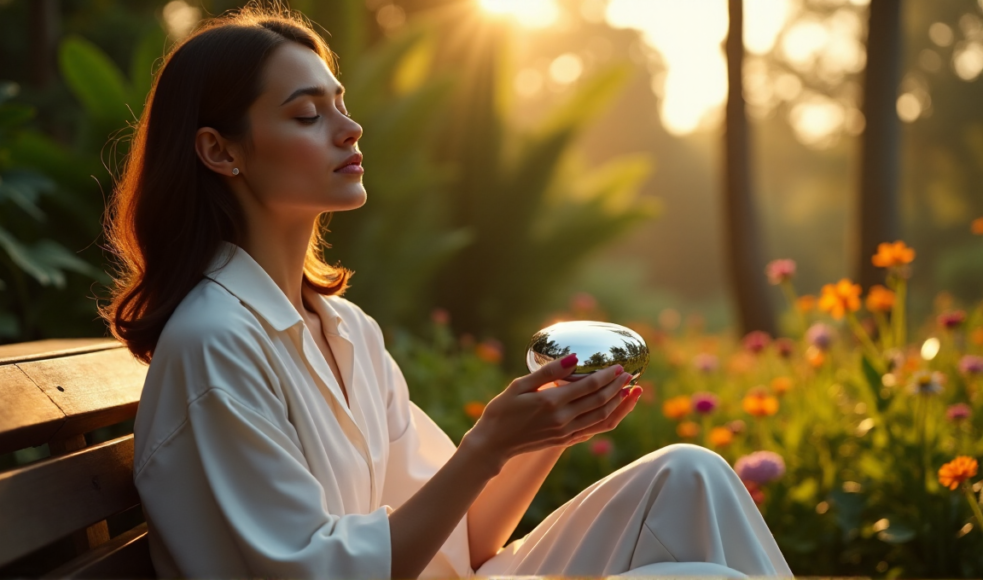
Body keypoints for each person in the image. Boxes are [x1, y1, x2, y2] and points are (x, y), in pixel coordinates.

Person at [100, 4, 793, 579]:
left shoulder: (344, 329)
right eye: (308, 115)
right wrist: (484, 446)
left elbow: (464, 541)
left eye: (340, 103)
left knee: (691, 474)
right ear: (221, 151)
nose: (350, 126)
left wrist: (551, 428)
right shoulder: (215, 344)